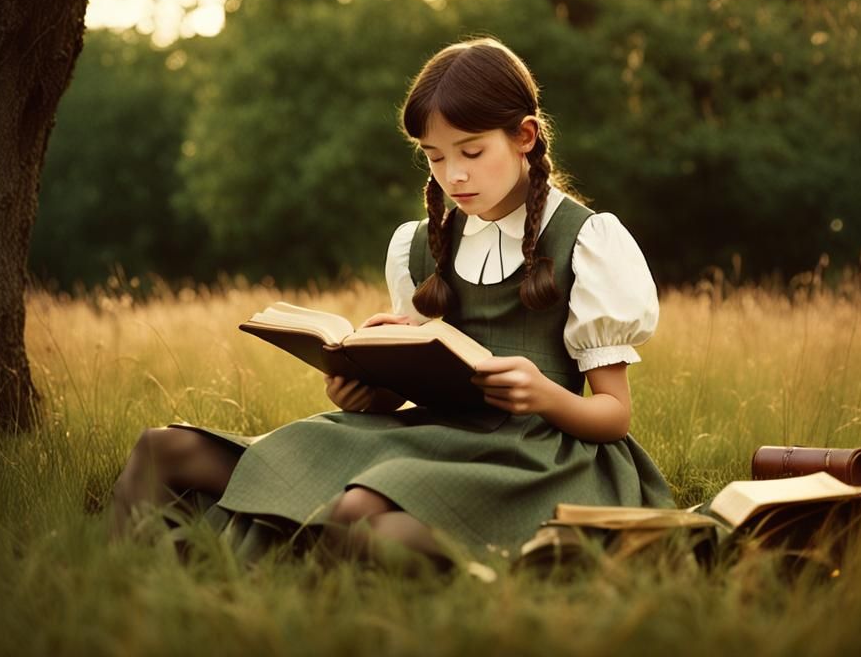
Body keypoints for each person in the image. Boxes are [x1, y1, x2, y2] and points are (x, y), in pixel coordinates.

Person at [110, 38, 674, 567]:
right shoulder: (420, 244)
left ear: (525, 136)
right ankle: (124, 590)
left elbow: (614, 417)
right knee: (163, 449)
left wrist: (544, 394)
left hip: (536, 457)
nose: (454, 175)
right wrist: (368, 388)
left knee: (360, 514)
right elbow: (414, 391)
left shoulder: (588, 239)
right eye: (433, 157)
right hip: (432, 435)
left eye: (472, 152)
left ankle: (298, 575)